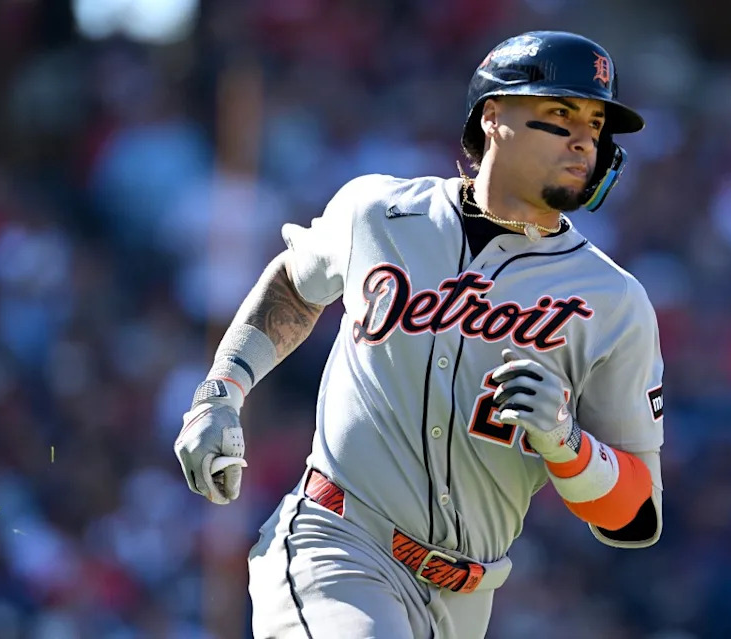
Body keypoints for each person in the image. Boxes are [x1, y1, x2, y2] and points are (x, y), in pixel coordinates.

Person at [174, 30, 665, 639]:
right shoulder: (379, 212)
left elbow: (636, 516)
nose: (584, 139)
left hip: (467, 598)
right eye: (561, 113)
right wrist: (221, 391)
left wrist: (569, 445)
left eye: (595, 123)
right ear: (493, 116)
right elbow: (297, 284)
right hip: (337, 543)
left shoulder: (614, 301)